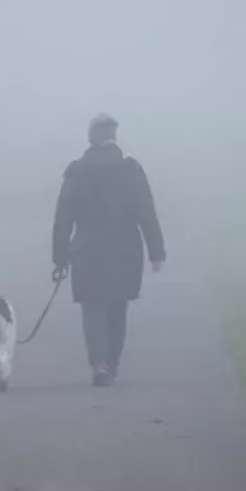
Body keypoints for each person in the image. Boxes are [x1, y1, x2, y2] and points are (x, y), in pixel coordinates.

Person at [52, 113, 166, 387]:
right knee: (117, 306)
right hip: (125, 249)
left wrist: (59, 258)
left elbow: (63, 217)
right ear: (114, 137)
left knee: (92, 307)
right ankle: (112, 364)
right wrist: (156, 251)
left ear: (92, 138)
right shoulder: (131, 170)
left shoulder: (76, 171)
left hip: (87, 250)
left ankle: (99, 363)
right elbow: (146, 211)